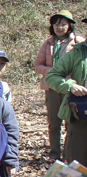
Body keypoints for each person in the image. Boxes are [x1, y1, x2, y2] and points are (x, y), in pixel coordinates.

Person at [35, 11, 85, 162]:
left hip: (71, 88)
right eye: (57, 24)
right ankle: (55, 153)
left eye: (63, 24)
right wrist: (54, 73)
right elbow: (38, 65)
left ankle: (67, 153)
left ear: (70, 26)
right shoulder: (50, 43)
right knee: (55, 122)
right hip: (55, 88)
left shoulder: (77, 42)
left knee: (70, 122)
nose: (60, 27)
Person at [45, 21, 87, 169]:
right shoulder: (78, 52)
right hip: (81, 116)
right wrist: (71, 86)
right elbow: (51, 77)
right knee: (77, 165)